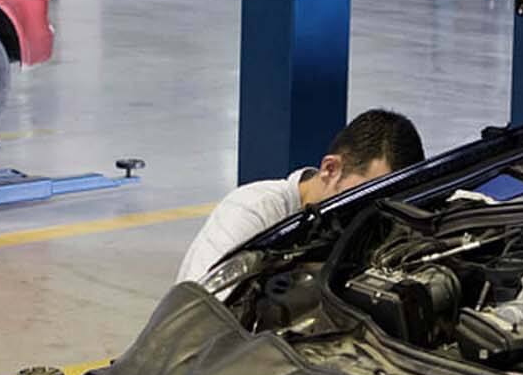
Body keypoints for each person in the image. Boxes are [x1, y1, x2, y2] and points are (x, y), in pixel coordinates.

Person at [176, 107, 425, 287]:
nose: (370, 218)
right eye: (363, 197)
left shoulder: (380, 228)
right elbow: (200, 316)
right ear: (330, 169)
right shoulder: (253, 211)